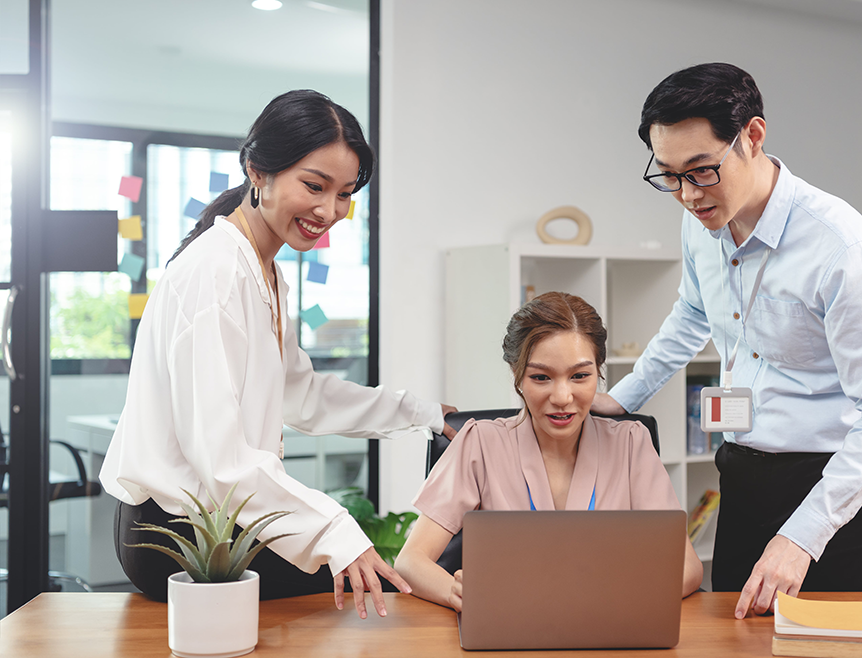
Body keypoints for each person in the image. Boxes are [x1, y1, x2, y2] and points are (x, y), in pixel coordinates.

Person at [99, 89, 456, 620]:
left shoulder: (264, 271)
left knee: (394, 577)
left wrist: (425, 415)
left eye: (344, 194)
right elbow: (221, 461)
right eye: (314, 186)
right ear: (257, 171)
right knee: (385, 585)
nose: (328, 211)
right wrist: (335, 529)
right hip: (179, 536)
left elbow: (303, 395)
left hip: (219, 523)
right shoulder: (215, 274)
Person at [591, 63, 862, 619]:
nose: (687, 195)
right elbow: (692, 313)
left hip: (831, 486)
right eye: (668, 175)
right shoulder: (703, 220)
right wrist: (622, 399)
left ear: (753, 137)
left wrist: (802, 537)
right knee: (733, 637)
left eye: (700, 171)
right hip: (741, 466)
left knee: (826, 647)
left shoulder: (842, 248)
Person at [395, 291, 703, 611]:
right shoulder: (480, 443)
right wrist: (458, 593)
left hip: (610, 624)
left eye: (580, 376)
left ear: (598, 372)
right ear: (517, 376)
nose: (562, 396)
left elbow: (688, 567)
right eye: (541, 377)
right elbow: (411, 561)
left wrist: (621, 596)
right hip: (508, 624)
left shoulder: (631, 444)